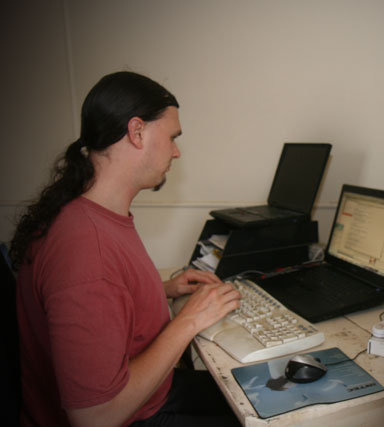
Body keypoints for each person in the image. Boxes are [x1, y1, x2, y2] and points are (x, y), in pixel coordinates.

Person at [9, 71, 242, 426]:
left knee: (260, 393)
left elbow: (97, 300)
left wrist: (162, 291)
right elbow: (94, 418)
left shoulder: (85, 213)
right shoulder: (87, 251)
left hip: (148, 395)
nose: (176, 152)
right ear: (137, 132)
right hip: (131, 415)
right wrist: (189, 321)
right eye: (172, 137)